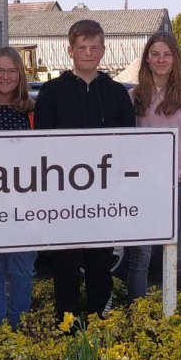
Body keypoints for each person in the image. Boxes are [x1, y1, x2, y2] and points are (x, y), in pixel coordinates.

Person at [33, 19, 135, 321]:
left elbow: (127, 144)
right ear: (70, 51)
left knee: (99, 261)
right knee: (64, 262)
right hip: (64, 195)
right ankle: (66, 328)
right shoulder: (51, 92)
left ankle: (99, 323)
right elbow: (43, 145)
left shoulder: (117, 94)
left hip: (104, 196)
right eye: (82, 48)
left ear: (103, 50)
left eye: (94, 47)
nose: (88, 53)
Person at [126, 32, 181, 299]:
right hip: (142, 187)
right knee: (140, 254)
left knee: (175, 254)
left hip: (177, 187)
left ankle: (180, 316)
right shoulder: (134, 96)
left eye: (167, 54)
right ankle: (137, 318)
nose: (161, 60)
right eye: (155, 54)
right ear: (147, 59)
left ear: (175, 60)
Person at [0, 47, 37, 328]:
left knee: (23, 269)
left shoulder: (32, 111)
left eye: (12, 70)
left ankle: (18, 328)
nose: (5, 76)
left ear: (20, 75)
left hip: (26, 204)